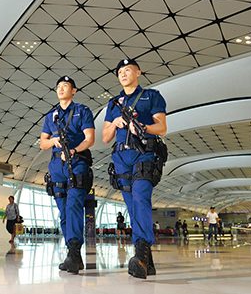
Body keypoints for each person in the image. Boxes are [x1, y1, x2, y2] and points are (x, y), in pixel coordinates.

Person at [102, 58, 167, 279]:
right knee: (131, 206)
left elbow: (162, 127)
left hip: (144, 152)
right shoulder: (113, 104)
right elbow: (105, 137)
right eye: (120, 71)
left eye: (127, 69)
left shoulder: (152, 96)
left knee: (140, 197)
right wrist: (115, 122)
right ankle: (147, 259)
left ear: (138, 72)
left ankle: (140, 252)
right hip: (121, 156)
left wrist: (142, 127)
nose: (123, 73)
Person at [40, 75, 95, 275]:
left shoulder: (83, 111)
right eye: (59, 86)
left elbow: (90, 139)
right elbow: (42, 143)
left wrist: (74, 150)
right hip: (56, 166)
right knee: (63, 212)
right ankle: (74, 257)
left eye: (66, 86)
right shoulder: (50, 116)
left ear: (74, 91)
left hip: (77, 162)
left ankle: (73, 251)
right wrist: (54, 141)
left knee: (73, 204)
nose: (61, 89)